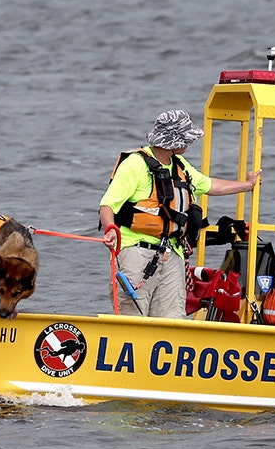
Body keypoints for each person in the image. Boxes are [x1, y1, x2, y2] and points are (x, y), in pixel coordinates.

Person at [100, 109, 261, 318]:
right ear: (173, 140)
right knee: (132, 315)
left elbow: (210, 185)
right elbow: (108, 205)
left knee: (173, 317)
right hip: (136, 252)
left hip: (172, 254)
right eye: (186, 137)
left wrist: (247, 185)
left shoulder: (179, 165)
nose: (190, 142)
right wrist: (110, 229)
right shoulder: (134, 164)